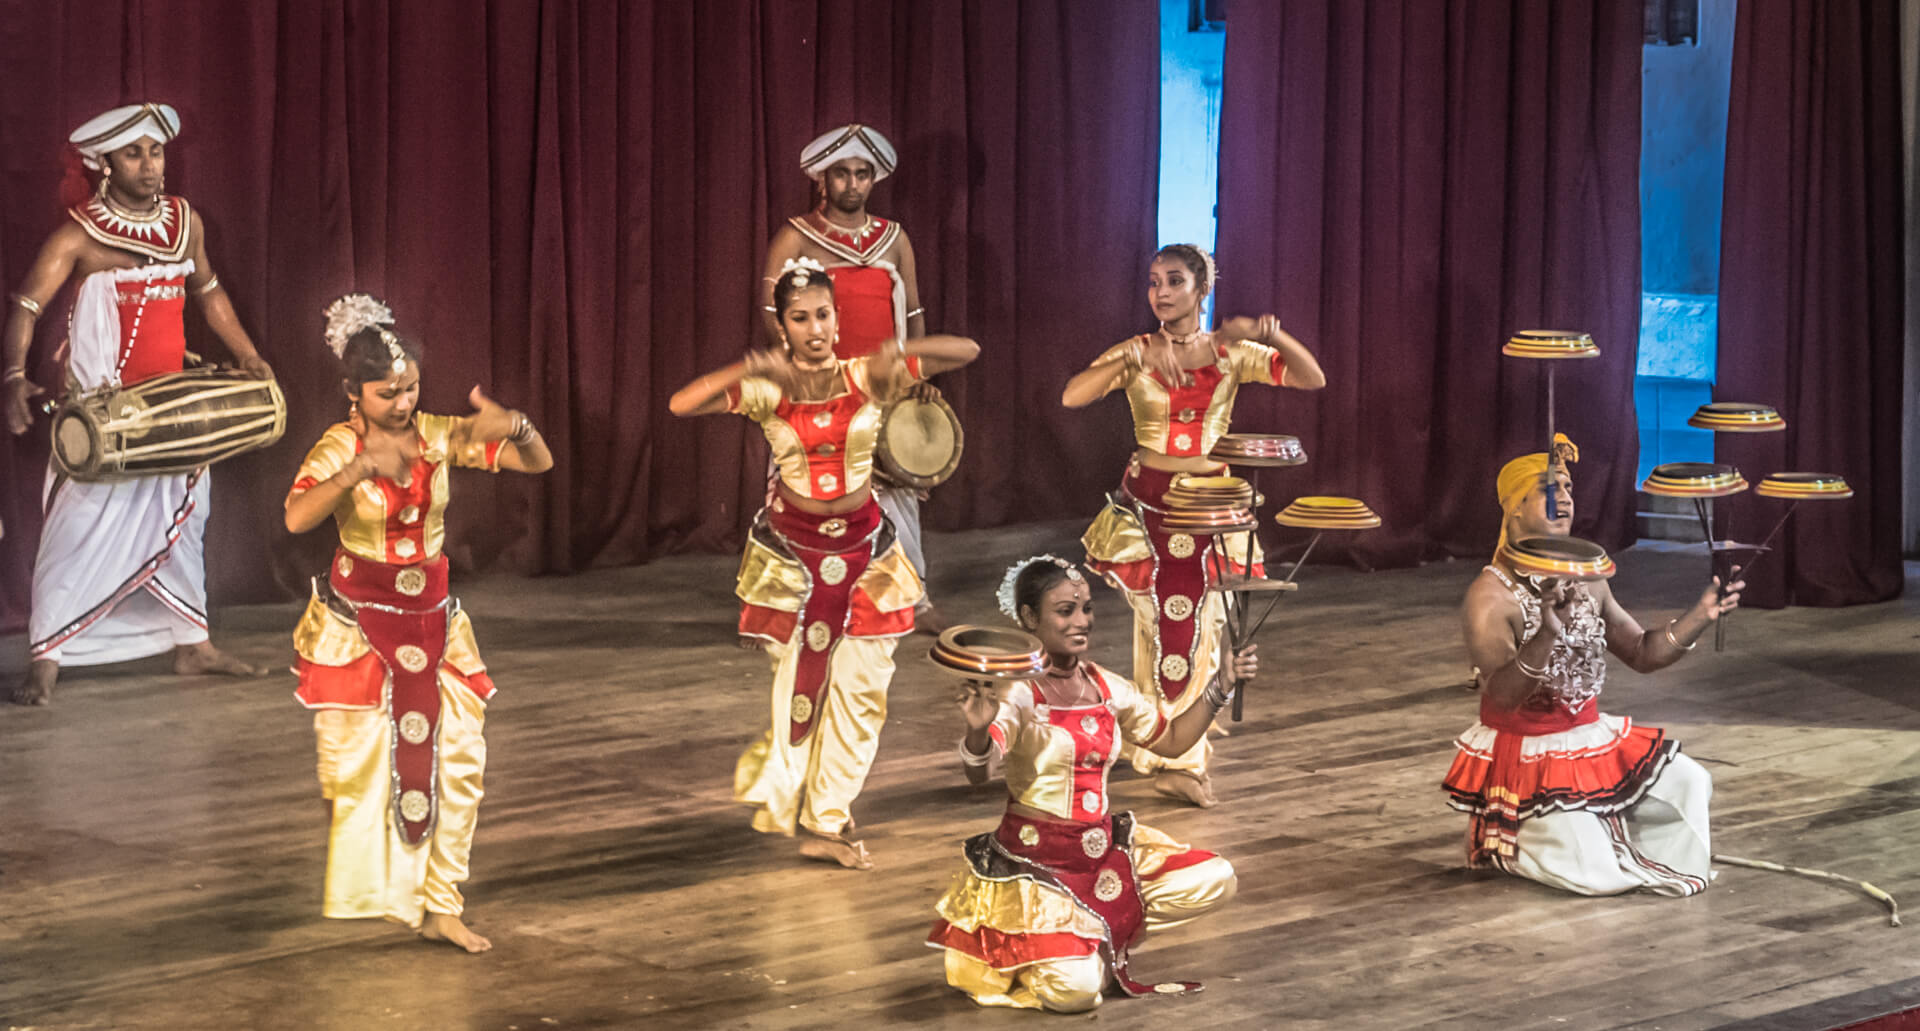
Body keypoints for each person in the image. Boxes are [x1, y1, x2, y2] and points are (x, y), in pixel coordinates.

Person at [671, 257, 978, 869]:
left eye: (823, 316)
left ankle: (828, 817)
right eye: (800, 318)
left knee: (863, 691)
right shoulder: (770, 389)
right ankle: (805, 798)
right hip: (793, 560)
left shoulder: (868, 375)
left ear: (838, 319)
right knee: (799, 690)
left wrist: (899, 351)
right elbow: (684, 404)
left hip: (868, 555)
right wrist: (748, 367)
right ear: (782, 326)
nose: (814, 330)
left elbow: (965, 350)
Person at [283, 295, 552, 952]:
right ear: (352, 391)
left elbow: (536, 462)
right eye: (387, 393)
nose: (403, 403)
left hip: (433, 622)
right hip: (358, 627)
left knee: (460, 761)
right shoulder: (340, 445)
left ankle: (442, 904)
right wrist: (356, 470)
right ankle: (381, 885)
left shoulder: (436, 434)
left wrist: (517, 425)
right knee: (354, 772)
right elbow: (296, 517)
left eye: (411, 388)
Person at [4, 102, 274, 705]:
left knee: (185, 523)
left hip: (172, 410)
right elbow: (26, 306)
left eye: (156, 152)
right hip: (106, 414)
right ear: (104, 164)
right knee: (76, 530)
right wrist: (13, 376)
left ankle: (192, 645)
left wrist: (249, 355)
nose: (151, 166)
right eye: (134, 154)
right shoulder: (78, 235)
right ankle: (47, 657)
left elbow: (208, 290)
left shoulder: (185, 222)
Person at [1062, 243, 1325, 806]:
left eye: (1174, 280)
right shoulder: (1136, 350)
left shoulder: (1231, 354)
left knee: (1202, 627)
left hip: (1210, 506)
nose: (1161, 292)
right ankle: (1162, 748)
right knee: (1156, 628)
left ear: (1202, 290)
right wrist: (1132, 360)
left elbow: (1311, 378)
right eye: (1154, 281)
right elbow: (1073, 394)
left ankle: (1182, 758)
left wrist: (1273, 334)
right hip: (1149, 505)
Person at [927, 556, 1246, 1013]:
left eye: (1087, 609)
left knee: (1216, 878)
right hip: (1039, 867)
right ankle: (1060, 951)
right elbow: (981, 771)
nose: (1082, 621)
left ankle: (1090, 937)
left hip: (1099, 857)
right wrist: (977, 731)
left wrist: (1222, 682)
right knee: (1077, 995)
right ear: (1030, 618)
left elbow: (1173, 741)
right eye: (1065, 611)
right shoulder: (1018, 694)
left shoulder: (1109, 687)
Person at [1444, 435, 1740, 896]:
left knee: (1691, 783)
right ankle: (1509, 843)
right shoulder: (1490, 596)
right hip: (1527, 753)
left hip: (1588, 737)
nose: (1563, 497)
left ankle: (1608, 834)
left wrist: (1701, 614)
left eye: (1567, 487)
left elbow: (1641, 652)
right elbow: (1501, 697)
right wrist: (1547, 633)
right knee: (1592, 872)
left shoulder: (1589, 577)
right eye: (1548, 489)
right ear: (1515, 508)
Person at [762, 124, 946, 629]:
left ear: (873, 179)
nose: (852, 183)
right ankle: (796, 606)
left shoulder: (894, 238)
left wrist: (913, 372)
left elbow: (913, 313)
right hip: (820, 387)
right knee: (809, 493)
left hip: (882, 385)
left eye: (862, 174)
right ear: (822, 179)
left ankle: (909, 600)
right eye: (841, 173)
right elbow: (771, 311)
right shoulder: (797, 235)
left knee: (893, 495)